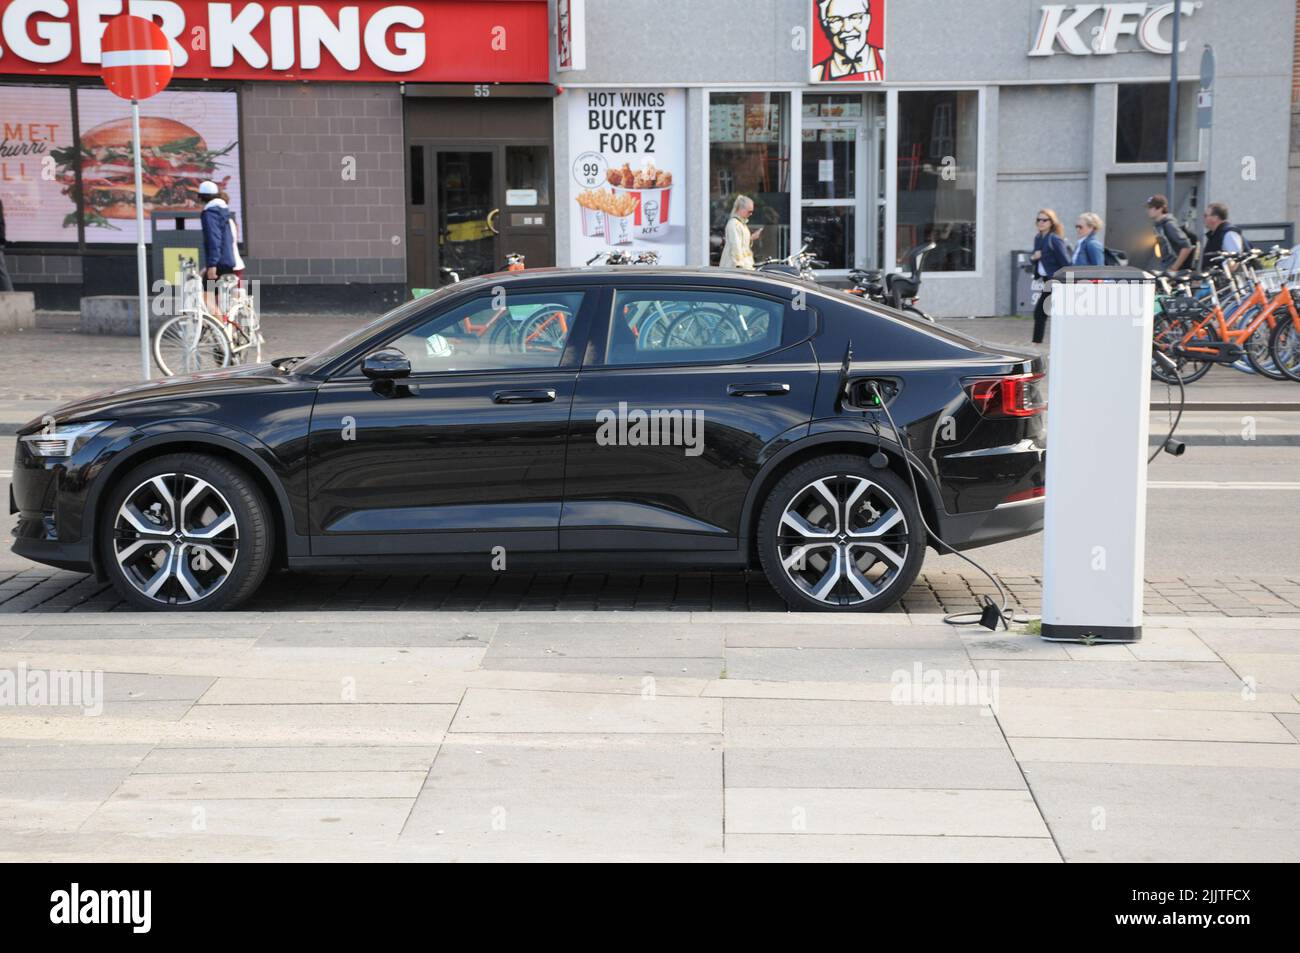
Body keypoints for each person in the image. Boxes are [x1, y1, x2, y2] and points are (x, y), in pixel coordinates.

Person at [811, 0, 884, 82]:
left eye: (855, 17)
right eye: (836, 19)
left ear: (867, 20)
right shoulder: (816, 74)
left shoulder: (886, 60)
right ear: (826, 26)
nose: (847, 28)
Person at [1029, 208, 1069, 344]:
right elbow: (1034, 257)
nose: (1041, 222)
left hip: (1056, 281)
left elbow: (1066, 262)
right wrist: (1034, 258)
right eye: (1038, 220)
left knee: (1040, 312)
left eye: (1044, 220)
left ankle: (1036, 343)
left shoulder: (1055, 240)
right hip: (1047, 280)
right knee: (1047, 313)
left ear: (1051, 222)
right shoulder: (1038, 238)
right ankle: (1039, 343)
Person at [1145, 194, 1192, 273]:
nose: (1148, 210)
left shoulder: (1169, 225)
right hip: (1166, 267)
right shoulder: (1158, 225)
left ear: (1160, 209)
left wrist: (1174, 268)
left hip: (1174, 270)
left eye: (1150, 208)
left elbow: (1187, 246)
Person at [1200, 202, 1247, 269]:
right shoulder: (1215, 234)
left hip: (1237, 278)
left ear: (1215, 218)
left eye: (1205, 216)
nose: (1203, 219)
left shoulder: (1229, 233)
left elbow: (1234, 261)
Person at [720, 194, 757, 269]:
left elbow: (742, 244)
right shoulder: (734, 224)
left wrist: (751, 238)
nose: (751, 214)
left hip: (742, 267)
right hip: (734, 269)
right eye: (749, 211)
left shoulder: (741, 224)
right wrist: (740, 266)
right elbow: (735, 246)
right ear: (741, 209)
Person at [219, 190, 246, 286]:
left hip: (230, 266)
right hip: (234, 264)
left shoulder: (225, 222)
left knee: (234, 297)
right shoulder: (230, 221)